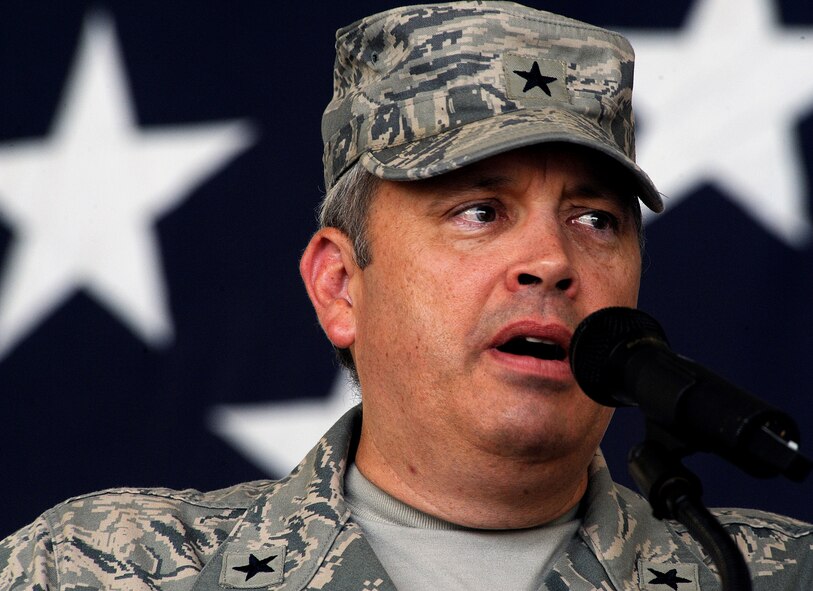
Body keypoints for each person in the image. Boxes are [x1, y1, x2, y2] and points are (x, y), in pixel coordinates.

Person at [1, 3, 811, 590]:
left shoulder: (772, 575)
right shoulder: (101, 568)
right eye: (478, 211)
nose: (551, 261)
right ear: (338, 287)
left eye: (595, 219)